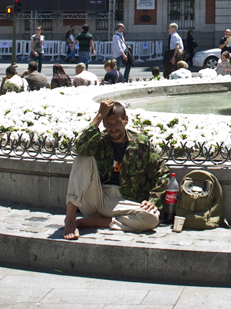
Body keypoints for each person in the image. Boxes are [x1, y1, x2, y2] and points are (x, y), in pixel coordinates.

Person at [64, 99, 166, 240]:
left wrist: (153, 200)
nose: (113, 128)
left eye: (117, 122)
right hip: (97, 198)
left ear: (126, 120)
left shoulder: (141, 143)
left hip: (124, 202)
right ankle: (70, 219)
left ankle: (98, 221)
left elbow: (161, 174)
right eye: (108, 124)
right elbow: (79, 148)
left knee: (151, 219)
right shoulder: (100, 141)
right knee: (82, 158)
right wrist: (99, 115)